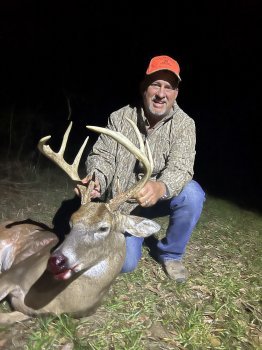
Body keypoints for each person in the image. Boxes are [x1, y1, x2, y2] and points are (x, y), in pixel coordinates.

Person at [80, 55, 205, 282]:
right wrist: (97, 179)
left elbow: (182, 166)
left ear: (176, 93)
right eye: (155, 84)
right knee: (125, 264)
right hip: (124, 205)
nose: (161, 93)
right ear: (143, 87)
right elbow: (103, 156)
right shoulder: (119, 118)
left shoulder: (185, 125)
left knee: (193, 194)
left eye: (169, 87)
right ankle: (131, 234)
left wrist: (161, 186)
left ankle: (170, 254)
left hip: (161, 199)